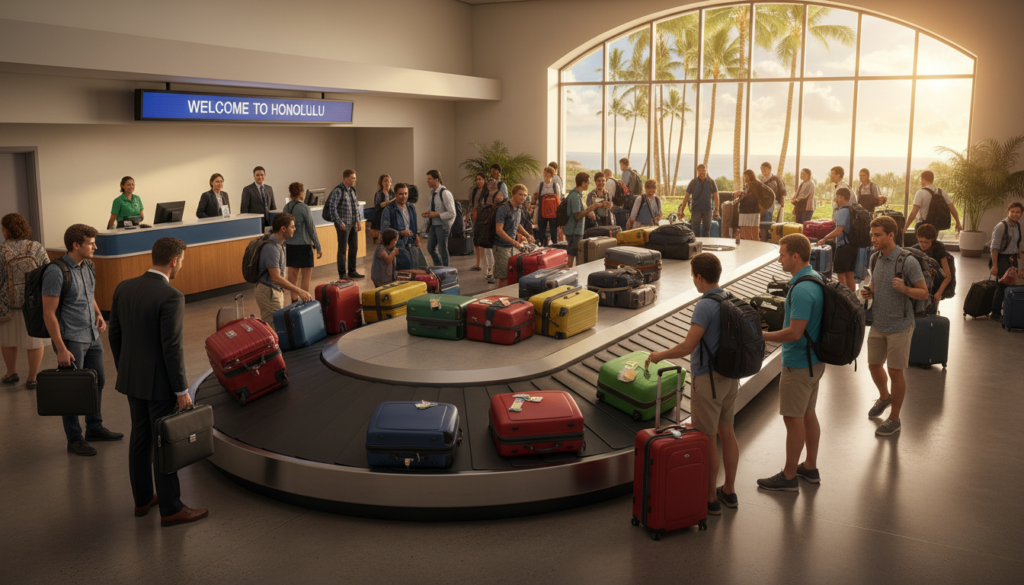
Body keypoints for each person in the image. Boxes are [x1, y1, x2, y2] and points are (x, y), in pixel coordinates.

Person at [108, 237, 208, 527]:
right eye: (182, 261)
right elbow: (172, 347)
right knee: (165, 442)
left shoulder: (123, 287)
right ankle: (171, 508)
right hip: (160, 384)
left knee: (140, 438)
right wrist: (181, 390)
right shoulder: (171, 296)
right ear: (174, 260)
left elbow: (115, 335)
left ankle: (142, 501)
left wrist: (126, 369)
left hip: (132, 378)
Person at [645, 252, 741, 514]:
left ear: (700, 277)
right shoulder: (730, 298)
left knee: (709, 438)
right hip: (731, 378)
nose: (694, 282)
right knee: (727, 432)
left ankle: (710, 498)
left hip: (708, 380)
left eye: (693, 277)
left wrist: (659, 355)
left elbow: (689, 346)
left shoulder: (705, 305)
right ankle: (729, 491)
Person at [42, 224, 123, 456]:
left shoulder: (88, 265)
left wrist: (98, 313)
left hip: (92, 335)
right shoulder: (56, 272)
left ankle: (94, 428)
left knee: (97, 382)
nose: (95, 247)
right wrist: (60, 348)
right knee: (73, 391)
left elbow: (89, 293)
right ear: (76, 245)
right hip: (71, 339)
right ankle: (74, 438)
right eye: (91, 243)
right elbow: (49, 313)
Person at [756, 234, 825, 491]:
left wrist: (761, 335)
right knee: (807, 414)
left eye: (782, 254)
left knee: (792, 419)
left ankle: (788, 477)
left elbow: (794, 333)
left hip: (798, 363)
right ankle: (810, 466)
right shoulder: (814, 278)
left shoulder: (802, 289)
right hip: (814, 361)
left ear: (795, 256)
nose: (779, 258)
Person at [860, 216, 929, 437]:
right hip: (879, 323)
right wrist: (869, 291)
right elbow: (874, 283)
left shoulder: (907, 261)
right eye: (872, 235)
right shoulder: (874, 258)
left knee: (895, 371)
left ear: (891, 235)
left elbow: (924, 292)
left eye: (878, 235)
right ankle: (884, 397)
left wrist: (905, 289)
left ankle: (894, 418)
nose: (874, 239)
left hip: (900, 324)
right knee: (873, 365)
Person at [0, 213, 48, 389]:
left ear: (5, 230)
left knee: (7, 339)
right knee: (35, 340)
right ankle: (32, 378)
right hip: (33, 302)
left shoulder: (1, 250)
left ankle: (11, 372)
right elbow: (47, 270)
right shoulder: (36, 247)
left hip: (8, 304)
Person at [255, 213, 313, 321]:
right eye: (292, 226)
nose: (294, 229)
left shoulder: (281, 243)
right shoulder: (271, 248)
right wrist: (299, 291)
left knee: (278, 324)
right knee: (273, 327)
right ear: (283, 228)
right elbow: (276, 278)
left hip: (275, 290)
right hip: (268, 292)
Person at [283, 182, 323, 302]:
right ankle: (305, 299)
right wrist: (318, 246)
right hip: (304, 245)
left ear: (290, 194)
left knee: (292, 275)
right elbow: (311, 228)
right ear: (301, 193)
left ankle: (294, 299)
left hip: (290, 245)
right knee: (306, 276)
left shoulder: (286, 207)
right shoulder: (304, 208)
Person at [492, 184, 535, 288]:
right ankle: (500, 298)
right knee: (503, 276)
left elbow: (517, 225)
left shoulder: (519, 208)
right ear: (514, 195)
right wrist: (514, 242)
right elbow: (498, 230)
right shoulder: (503, 208)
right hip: (501, 247)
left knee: (510, 274)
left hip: (512, 247)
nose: (523, 197)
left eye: (525, 195)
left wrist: (527, 234)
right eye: (520, 195)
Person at [564, 172, 610, 269]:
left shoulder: (577, 195)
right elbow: (577, 216)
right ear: (583, 183)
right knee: (572, 261)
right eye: (588, 182)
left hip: (575, 230)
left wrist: (597, 206)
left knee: (574, 258)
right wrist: (593, 207)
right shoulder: (575, 196)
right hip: (574, 231)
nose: (589, 184)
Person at [325, 169, 364, 279]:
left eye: (355, 178)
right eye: (352, 178)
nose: (354, 180)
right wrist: (339, 222)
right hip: (342, 224)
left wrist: (358, 220)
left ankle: (352, 271)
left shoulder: (352, 190)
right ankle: (342, 274)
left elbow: (355, 206)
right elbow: (332, 208)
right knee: (342, 250)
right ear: (345, 178)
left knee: (354, 247)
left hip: (352, 223)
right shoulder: (338, 190)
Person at [988, 202, 1023, 321]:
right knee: (1003, 284)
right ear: (1008, 211)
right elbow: (994, 247)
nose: (1015, 214)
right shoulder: (1001, 226)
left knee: (1013, 283)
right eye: (1012, 211)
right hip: (1001, 258)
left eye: (1018, 212)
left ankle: (1007, 311)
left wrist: (1019, 254)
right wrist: (994, 266)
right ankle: (995, 313)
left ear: (1021, 213)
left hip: (1012, 258)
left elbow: (1015, 243)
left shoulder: (1017, 225)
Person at [820, 187, 857, 290]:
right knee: (850, 275)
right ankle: (852, 300)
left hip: (843, 246)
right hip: (853, 245)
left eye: (837, 197)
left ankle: (845, 301)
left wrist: (825, 238)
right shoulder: (853, 209)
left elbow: (839, 230)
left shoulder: (843, 211)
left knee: (841, 275)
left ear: (841, 197)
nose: (836, 199)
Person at [905, 171, 963, 235]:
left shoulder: (920, 193)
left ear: (923, 179)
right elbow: (952, 208)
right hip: (935, 227)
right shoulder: (941, 192)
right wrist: (958, 222)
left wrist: (904, 229)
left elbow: (913, 213)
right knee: (932, 243)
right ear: (932, 179)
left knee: (922, 244)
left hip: (922, 226)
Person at [380, 183, 420, 271]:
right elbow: (385, 232)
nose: (403, 196)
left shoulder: (411, 207)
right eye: (400, 194)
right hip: (397, 246)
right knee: (404, 271)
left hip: (411, 244)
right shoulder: (388, 210)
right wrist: (401, 233)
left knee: (414, 270)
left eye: (405, 193)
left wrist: (416, 236)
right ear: (395, 194)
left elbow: (414, 224)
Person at [913, 223, 953, 306]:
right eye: (920, 241)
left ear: (932, 240)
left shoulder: (938, 248)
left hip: (936, 282)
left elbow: (948, 276)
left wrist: (939, 293)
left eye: (926, 242)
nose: (922, 245)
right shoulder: (914, 249)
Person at [422, 170, 456, 267]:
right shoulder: (431, 192)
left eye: (430, 179)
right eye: (427, 179)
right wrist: (427, 213)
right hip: (433, 224)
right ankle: (438, 267)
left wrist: (437, 215)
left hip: (443, 225)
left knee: (442, 250)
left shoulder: (445, 193)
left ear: (436, 180)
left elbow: (452, 213)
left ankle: (445, 271)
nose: (427, 181)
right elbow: (432, 208)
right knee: (430, 248)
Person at [680, 164, 719, 237]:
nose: (702, 172)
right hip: (696, 210)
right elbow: (686, 196)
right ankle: (696, 247)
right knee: (695, 232)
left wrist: (717, 209)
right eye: (700, 170)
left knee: (706, 232)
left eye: (703, 170)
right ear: (697, 171)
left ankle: (705, 247)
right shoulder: (693, 182)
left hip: (708, 210)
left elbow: (716, 196)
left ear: (706, 171)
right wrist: (682, 209)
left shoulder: (711, 182)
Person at [240, 166, 277, 230]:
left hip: (268, 222)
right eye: (257, 175)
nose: (260, 177)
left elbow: (273, 206)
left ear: (265, 176)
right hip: (254, 223)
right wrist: (246, 223)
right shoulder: (247, 189)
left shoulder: (269, 188)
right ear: (254, 176)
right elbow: (244, 208)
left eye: (261, 175)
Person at [735, 170, 767, 241]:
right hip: (755, 211)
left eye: (745, 176)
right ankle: (756, 250)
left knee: (745, 235)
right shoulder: (758, 184)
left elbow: (744, 196)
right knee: (755, 234)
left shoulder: (749, 185)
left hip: (746, 211)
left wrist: (736, 200)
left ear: (749, 176)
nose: (745, 178)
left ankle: (747, 250)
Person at [534, 166, 563, 246]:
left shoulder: (555, 185)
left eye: (547, 172)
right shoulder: (539, 185)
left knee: (554, 231)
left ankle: (555, 247)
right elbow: (535, 199)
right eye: (545, 172)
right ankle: (541, 246)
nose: (545, 174)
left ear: (551, 174)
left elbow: (558, 199)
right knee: (541, 231)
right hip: (542, 210)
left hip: (553, 211)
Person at [468, 173, 488, 272]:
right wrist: (470, 214)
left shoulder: (488, 191)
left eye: (480, 179)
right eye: (476, 180)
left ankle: (486, 264)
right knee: (476, 241)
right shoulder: (474, 190)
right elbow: (471, 204)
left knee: (483, 241)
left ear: (484, 180)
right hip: (475, 218)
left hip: (485, 218)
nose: (478, 181)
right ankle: (477, 263)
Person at [370, 174, 394, 244]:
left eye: (389, 181)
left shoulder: (393, 193)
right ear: (381, 183)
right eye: (385, 181)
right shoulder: (379, 193)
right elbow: (381, 205)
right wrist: (393, 200)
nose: (387, 183)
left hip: (390, 214)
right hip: (380, 215)